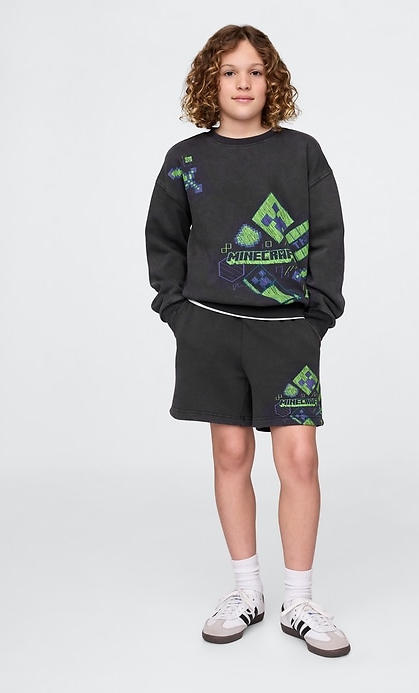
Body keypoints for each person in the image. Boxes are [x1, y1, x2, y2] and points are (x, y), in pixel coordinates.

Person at [145, 24, 349, 658]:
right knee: (231, 453)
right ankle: (246, 591)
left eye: (255, 71)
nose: (242, 82)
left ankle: (299, 600)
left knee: (300, 459)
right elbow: (163, 238)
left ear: (271, 81)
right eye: (229, 71)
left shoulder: (301, 153)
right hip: (210, 329)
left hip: (286, 332)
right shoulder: (186, 159)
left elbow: (328, 236)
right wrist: (178, 311)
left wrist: (317, 315)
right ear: (210, 82)